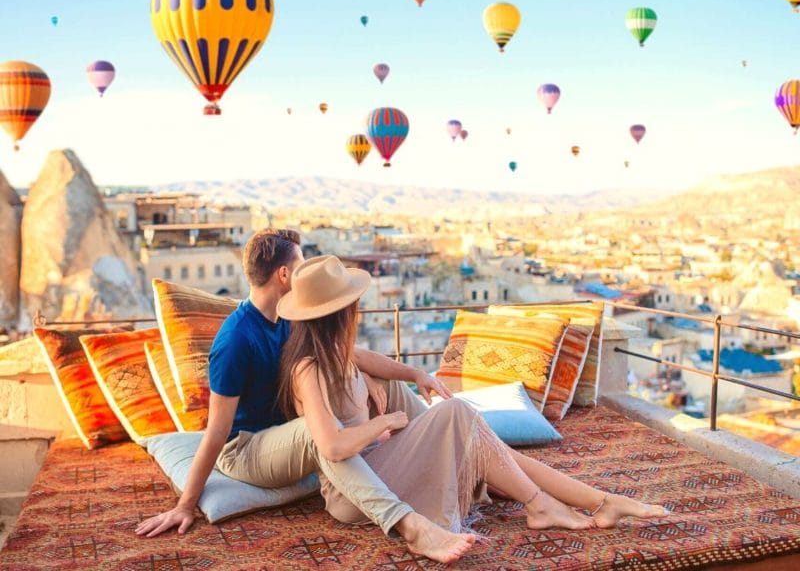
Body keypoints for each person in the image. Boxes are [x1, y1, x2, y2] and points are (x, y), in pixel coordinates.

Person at [136, 229, 475, 564]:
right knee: (319, 432)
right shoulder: (236, 340)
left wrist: (411, 374)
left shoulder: (288, 317)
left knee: (376, 393)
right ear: (284, 275)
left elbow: (350, 352)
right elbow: (216, 432)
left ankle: (467, 463)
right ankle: (409, 524)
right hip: (248, 449)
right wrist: (185, 505)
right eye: (301, 266)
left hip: (287, 436)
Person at [277, 255, 670, 542]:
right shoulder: (307, 369)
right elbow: (330, 446)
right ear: (342, 311)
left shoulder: (337, 350)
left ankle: (599, 501)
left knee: (481, 438)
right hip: (356, 495)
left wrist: (417, 374)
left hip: (381, 463)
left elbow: (373, 360)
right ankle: (543, 504)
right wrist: (384, 423)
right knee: (457, 414)